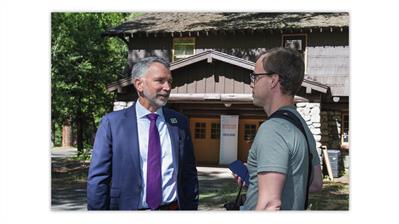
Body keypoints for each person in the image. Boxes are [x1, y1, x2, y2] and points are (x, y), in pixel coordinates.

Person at [87, 56, 199, 210]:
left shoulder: (179, 122)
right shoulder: (112, 123)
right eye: (160, 81)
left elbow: (189, 173)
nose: (167, 87)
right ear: (139, 84)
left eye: (170, 82)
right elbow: (99, 178)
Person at [235, 47, 323, 211]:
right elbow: (315, 183)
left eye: (256, 76)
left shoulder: (272, 130)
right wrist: (258, 178)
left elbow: (270, 204)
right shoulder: (300, 125)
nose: (251, 83)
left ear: (273, 80)